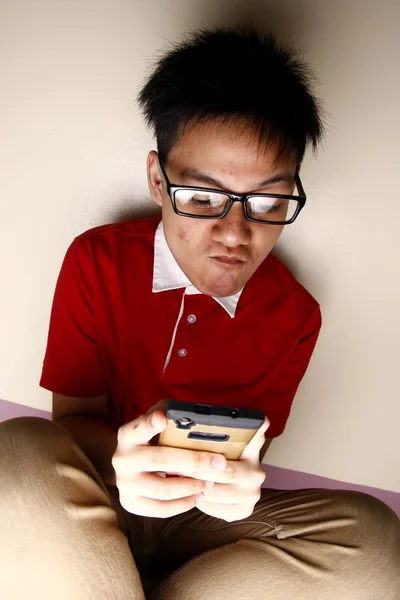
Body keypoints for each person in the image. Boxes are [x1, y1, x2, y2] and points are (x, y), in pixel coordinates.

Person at [1, 26, 399, 600]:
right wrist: (123, 459)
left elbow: (250, 448)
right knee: (17, 452)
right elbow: (71, 426)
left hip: (199, 529)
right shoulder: (97, 260)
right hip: (99, 491)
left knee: (377, 546)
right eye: (204, 197)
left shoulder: (297, 317)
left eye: (267, 202)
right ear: (158, 182)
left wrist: (238, 485)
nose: (235, 234)